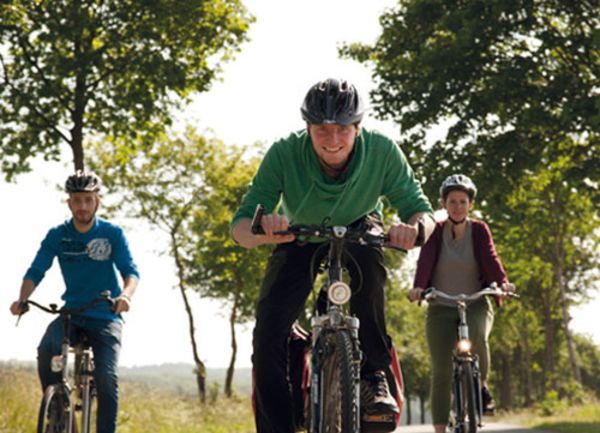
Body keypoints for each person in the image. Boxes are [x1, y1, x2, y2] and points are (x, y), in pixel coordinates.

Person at [231, 77, 435, 433]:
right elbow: (241, 225)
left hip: (359, 225)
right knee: (268, 331)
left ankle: (374, 379)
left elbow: (421, 209)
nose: (332, 138)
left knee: (370, 276)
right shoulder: (283, 153)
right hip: (299, 232)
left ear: (358, 128)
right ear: (307, 127)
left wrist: (415, 230)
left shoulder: (383, 150)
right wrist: (264, 230)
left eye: (342, 128)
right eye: (322, 129)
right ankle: (278, 423)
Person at [9, 170, 139, 433]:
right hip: (73, 314)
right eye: (77, 200)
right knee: (47, 349)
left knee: (106, 378)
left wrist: (125, 295)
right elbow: (36, 270)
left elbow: (130, 272)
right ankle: (58, 414)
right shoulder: (58, 235)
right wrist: (22, 299)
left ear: (97, 202)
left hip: (106, 314)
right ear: (69, 203)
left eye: (88, 200)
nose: (82, 206)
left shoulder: (112, 234)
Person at [408, 174, 516, 433]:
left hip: (475, 302)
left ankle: (479, 387)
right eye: (452, 201)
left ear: (470, 205)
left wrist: (502, 282)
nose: (458, 206)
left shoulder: (479, 230)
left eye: (463, 201)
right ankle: (440, 430)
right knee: (441, 370)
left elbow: (491, 257)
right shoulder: (436, 232)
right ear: (444, 204)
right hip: (441, 304)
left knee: (479, 337)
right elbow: (425, 261)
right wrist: (418, 287)